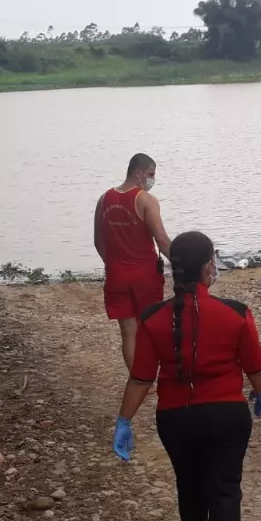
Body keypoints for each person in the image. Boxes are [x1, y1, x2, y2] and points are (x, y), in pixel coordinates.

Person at [111, 231, 261, 521]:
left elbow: (141, 378)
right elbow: (257, 368)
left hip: (175, 420)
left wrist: (123, 420)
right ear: (208, 267)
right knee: (225, 491)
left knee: (190, 488)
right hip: (228, 417)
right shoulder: (237, 313)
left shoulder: (152, 318)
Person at [94, 153, 173, 369]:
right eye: (151, 174)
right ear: (138, 172)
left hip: (116, 275)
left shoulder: (104, 199)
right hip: (145, 275)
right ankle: (153, 376)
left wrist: (112, 264)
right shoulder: (146, 200)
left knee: (128, 332)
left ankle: (138, 380)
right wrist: (184, 262)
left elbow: (98, 241)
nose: (152, 179)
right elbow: (162, 240)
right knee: (151, 327)